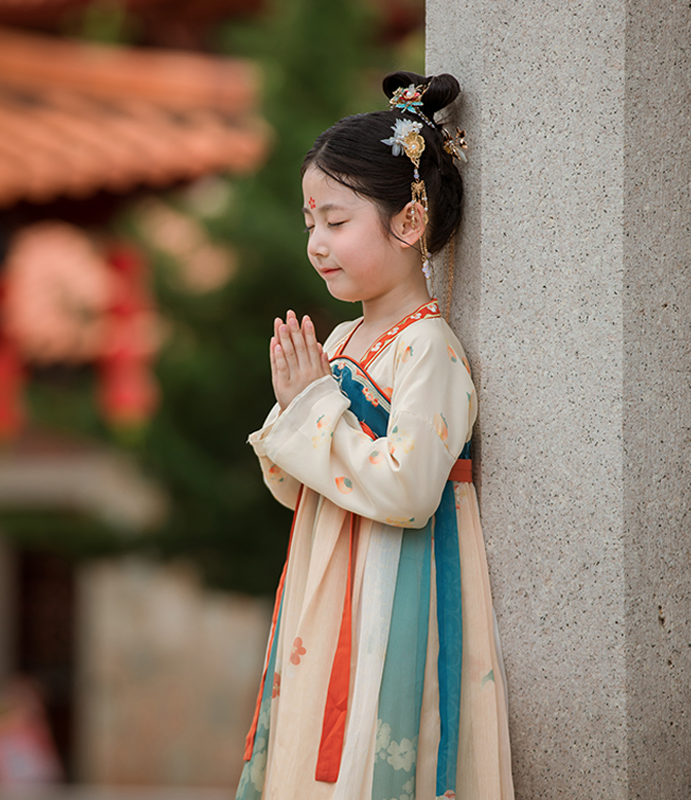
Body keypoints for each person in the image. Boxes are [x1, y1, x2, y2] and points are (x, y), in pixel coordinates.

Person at [236, 71, 514, 800]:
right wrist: (299, 409)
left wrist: (313, 408)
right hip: (329, 577)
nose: (316, 244)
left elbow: (409, 489)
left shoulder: (430, 348)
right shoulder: (345, 336)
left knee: (373, 744)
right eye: (309, 224)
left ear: (409, 221)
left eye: (334, 220)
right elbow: (287, 475)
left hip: (394, 582)